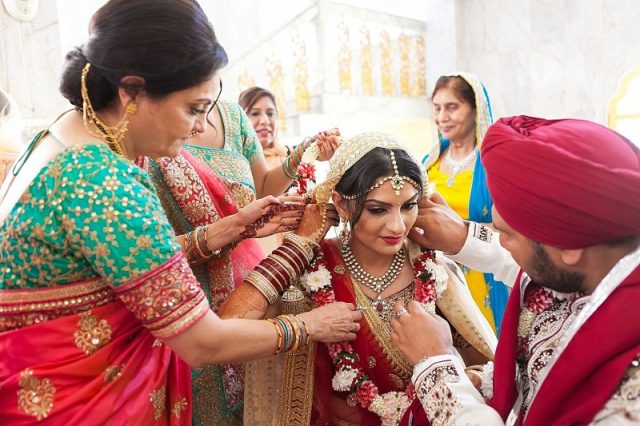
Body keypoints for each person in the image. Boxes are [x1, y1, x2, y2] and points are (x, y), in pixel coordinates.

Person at [0, 1, 361, 423]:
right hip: (75, 401)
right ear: (131, 92)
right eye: (192, 108)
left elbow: (118, 262)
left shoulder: (66, 133)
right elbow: (201, 342)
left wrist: (229, 228)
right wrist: (311, 326)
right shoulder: (100, 179)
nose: (197, 127)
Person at [228, 132, 498, 425]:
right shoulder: (313, 267)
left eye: (408, 206)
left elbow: (483, 361)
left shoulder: (432, 268)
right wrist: (299, 245)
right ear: (341, 205)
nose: (397, 226)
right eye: (377, 209)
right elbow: (229, 329)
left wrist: (467, 377)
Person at [393, 116, 640, 425]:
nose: (502, 243)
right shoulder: (594, 259)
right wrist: (487, 382)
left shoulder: (629, 399)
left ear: (570, 248)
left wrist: (436, 364)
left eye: (507, 233)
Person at [423, 72, 509, 333]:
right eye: (437, 108)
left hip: (484, 269)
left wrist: (458, 231)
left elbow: (510, 227)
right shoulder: (429, 161)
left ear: (475, 110)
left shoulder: (495, 163)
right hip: (438, 277)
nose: (442, 117)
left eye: (452, 107)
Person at [238, 86, 288, 169]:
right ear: (240, 120)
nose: (265, 121)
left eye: (270, 114)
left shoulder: (292, 158)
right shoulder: (236, 168)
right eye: (255, 113)